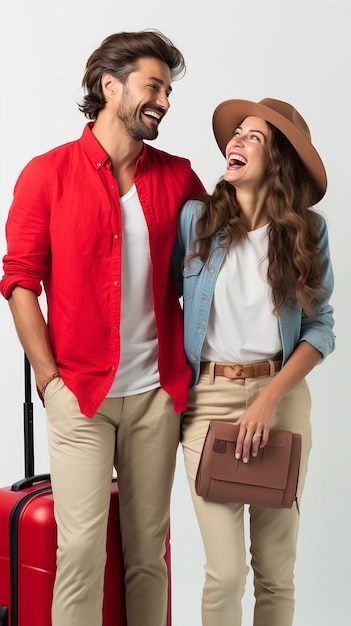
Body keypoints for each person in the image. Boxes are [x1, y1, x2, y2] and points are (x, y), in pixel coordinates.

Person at [0, 30, 204, 626]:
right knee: (81, 552)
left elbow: (215, 263)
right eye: (154, 86)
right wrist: (49, 380)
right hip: (81, 395)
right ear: (109, 86)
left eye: (168, 89)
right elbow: (19, 282)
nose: (164, 100)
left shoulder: (179, 179)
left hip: (154, 395)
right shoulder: (47, 174)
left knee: (149, 556)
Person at [173, 98, 335, 626]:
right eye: (235, 134)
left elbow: (320, 327)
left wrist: (269, 399)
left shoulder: (308, 232)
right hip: (209, 401)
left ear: (279, 160)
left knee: (274, 571)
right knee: (225, 574)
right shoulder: (197, 220)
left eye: (254, 138)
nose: (235, 142)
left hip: (280, 401)